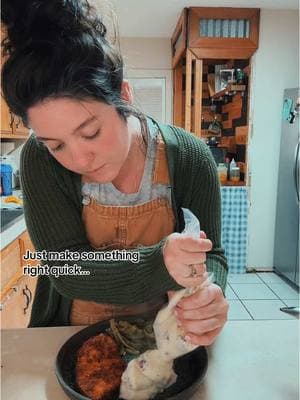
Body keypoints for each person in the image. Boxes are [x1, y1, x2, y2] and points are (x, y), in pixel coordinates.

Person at [1, 0, 229, 346]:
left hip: (166, 339)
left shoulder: (191, 158)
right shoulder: (39, 161)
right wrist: (160, 263)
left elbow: (211, 254)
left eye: (91, 132)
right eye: (56, 145)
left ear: (124, 95)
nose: (79, 159)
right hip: (71, 336)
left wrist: (208, 294)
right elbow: (66, 269)